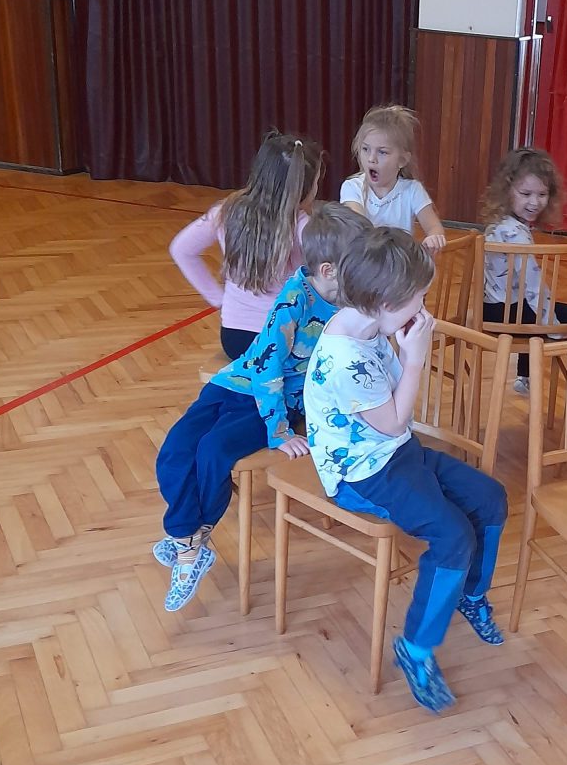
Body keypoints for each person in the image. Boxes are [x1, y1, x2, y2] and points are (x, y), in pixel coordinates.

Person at [303, 227, 508, 710]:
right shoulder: (343, 358)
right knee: (453, 537)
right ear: (385, 302)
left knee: (490, 499)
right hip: (362, 475)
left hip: (396, 453)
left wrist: (402, 345)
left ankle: (469, 593)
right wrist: (415, 358)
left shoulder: (370, 324)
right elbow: (394, 421)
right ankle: (416, 648)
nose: (424, 305)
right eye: (419, 297)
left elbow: (394, 423)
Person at [154, 204, 369, 612]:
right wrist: (280, 431)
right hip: (239, 384)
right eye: (356, 268)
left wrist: (285, 426)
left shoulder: (349, 304)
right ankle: (188, 538)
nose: (363, 277)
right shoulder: (295, 301)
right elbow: (267, 366)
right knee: (175, 448)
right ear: (328, 271)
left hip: (276, 400)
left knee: (213, 451)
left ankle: (187, 545)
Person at [170, 131, 322, 359]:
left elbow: (181, 249)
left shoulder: (226, 211)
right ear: (304, 188)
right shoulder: (302, 225)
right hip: (283, 340)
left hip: (234, 338)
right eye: (317, 182)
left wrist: (218, 299)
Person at [480, 146, 567, 394]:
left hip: (489, 308)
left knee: (531, 308)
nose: (534, 202)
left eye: (542, 194)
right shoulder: (517, 235)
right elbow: (533, 288)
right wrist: (551, 325)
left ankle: (525, 377)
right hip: (505, 314)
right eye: (526, 193)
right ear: (507, 190)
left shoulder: (498, 224)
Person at [339, 104, 446, 251]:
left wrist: (434, 238)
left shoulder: (412, 190)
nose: (371, 159)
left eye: (382, 152)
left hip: (401, 263)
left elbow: (434, 227)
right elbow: (360, 229)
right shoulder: (352, 187)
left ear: (402, 160)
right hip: (364, 262)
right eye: (365, 149)